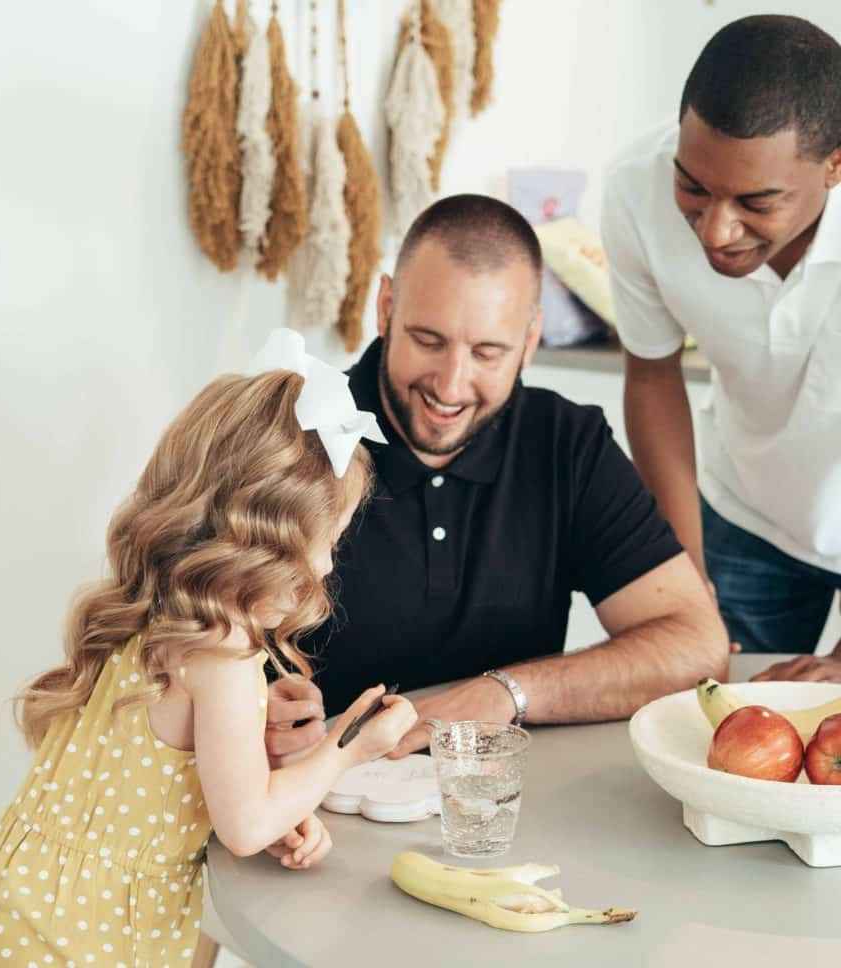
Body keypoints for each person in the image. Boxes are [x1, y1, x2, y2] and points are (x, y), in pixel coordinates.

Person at [0, 334, 417, 968]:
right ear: (270, 541)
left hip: (9, 905)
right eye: (327, 541)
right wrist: (349, 750)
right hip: (79, 942)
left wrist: (264, 767)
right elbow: (244, 826)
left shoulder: (155, 606)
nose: (330, 562)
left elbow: (184, 776)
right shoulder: (226, 649)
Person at [265, 194, 728, 764]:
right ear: (386, 307)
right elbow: (169, 650)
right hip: (304, 807)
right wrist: (247, 709)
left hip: (500, 806)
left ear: (530, 341)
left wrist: (503, 694)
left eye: (487, 353)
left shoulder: (568, 443)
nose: (452, 386)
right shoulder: (290, 434)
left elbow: (697, 646)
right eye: (429, 341)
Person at [602, 15, 841, 684]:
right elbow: (652, 377)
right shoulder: (634, 191)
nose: (715, 229)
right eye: (694, 187)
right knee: (711, 718)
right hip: (745, 511)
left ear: (835, 165)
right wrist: (683, 574)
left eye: (756, 201)